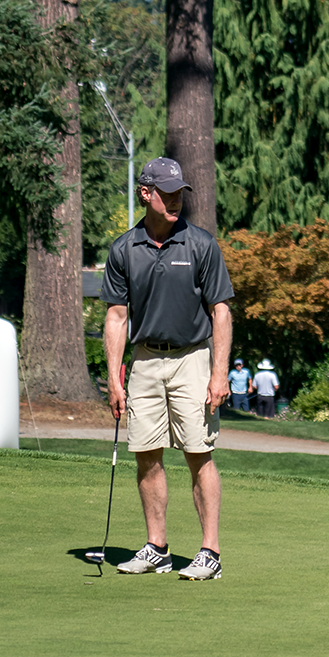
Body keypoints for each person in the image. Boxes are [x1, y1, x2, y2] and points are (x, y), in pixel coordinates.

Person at [101, 157, 234, 580]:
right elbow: (117, 316)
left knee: (199, 454)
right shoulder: (124, 249)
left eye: (180, 193)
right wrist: (113, 375)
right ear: (146, 193)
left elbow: (222, 312)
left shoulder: (200, 244)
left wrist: (219, 373)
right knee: (146, 455)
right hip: (144, 361)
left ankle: (209, 553)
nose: (176, 200)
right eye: (167, 193)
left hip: (193, 360)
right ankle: (157, 547)